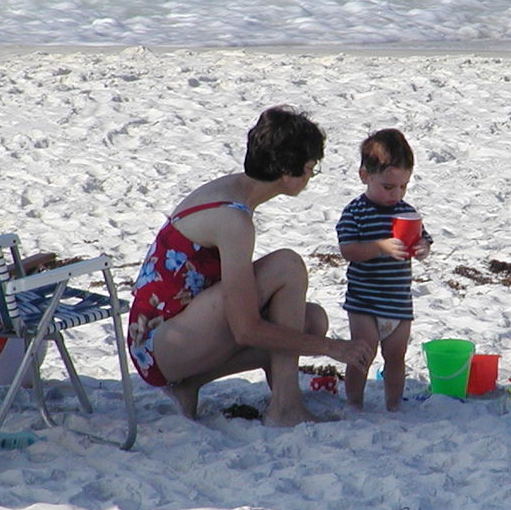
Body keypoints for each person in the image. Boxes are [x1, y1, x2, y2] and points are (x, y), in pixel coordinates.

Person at [126, 106, 372, 426]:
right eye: (311, 167)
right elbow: (245, 329)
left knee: (310, 320)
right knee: (287, 265)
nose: (312, 174)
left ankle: (191, 384)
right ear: (288, 171)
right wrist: (332, 348)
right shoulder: (233, 219)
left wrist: (322, 342)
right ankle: (285, 407)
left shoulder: (235, 190)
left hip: (174, 335)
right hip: (158, 346)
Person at [335, 128, 432, 411]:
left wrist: (424, 247)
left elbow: (423, 239)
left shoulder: (406, 211)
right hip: (365, 301)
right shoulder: (355, 212)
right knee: (362, 355)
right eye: (388, 187)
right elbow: (348, 250)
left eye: (403, 186)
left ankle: (393, 406)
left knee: (396, 358)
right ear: (365, 175)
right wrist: (379, 246)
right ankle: (354, 403)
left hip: (398, 302)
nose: (396, 194)